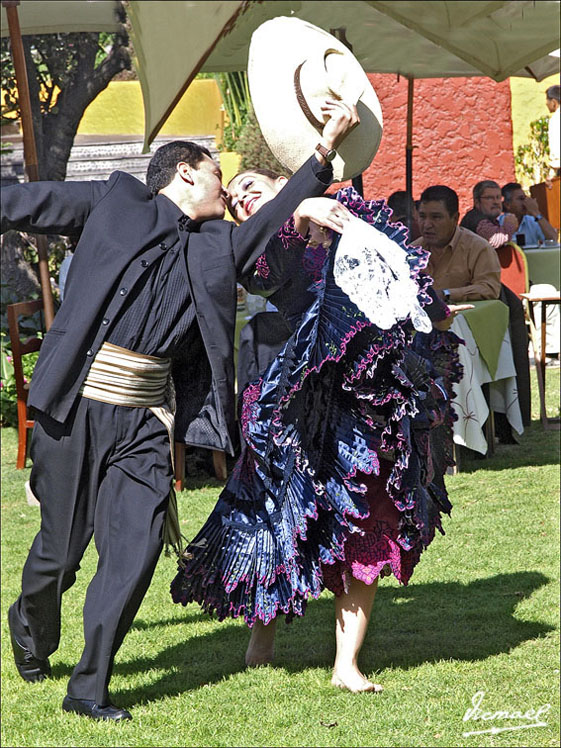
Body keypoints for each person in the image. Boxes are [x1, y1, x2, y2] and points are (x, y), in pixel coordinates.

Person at [1, 102, 357, 721]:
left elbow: (272, 216)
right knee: (60, 553)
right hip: (75, 409)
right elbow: (31, 201)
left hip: (143, 423)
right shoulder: (115, 200)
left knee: (134, 549)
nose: (227, 184)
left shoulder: (217, 244)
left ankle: (89, 688)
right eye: (218, 171)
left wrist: (322, 155)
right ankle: (30, 621)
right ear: (187, 173)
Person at [171, 168, 465, 693]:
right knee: (277, 517)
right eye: (237, 200)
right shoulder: (258, 251)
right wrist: (296, 210)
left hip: (369, 403)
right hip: (299, 405)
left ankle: (345, 663)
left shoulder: (350, 216)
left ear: (286, 178)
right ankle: (261, 639)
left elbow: (400, 273)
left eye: (252, 187)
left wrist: (432, 311)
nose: (243, 199)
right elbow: (261, 265)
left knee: (368, 519)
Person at [413, 185, 501, 302]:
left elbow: (489, 288)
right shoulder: (412, 250)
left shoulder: (478, 248)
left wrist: (447, 294)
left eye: (436, 217)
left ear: (455, 218)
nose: (427, 224)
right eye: (422, 217)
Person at [460, 180, 518, 248]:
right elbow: (495, 239)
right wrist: (509, 225)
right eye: (489, 198)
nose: (496, 202)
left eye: (498, 197)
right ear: (477, 202)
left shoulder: (489, 219)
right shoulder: (476, 219)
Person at [545, 84, 560, 178]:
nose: (546, 104)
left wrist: (552, 174)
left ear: (554, 102)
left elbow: (557, 150)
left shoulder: (556, 119)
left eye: (547, 101)